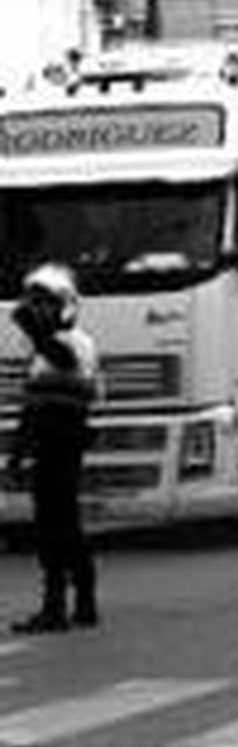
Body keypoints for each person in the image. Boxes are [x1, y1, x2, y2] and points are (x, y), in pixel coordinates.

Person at [7, 264, 100, 633]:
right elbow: (32, 406)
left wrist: (34, 330)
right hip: (45, 444)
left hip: (64, 443)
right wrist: (18, 452)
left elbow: (66, 360)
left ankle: (66, 603)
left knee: (61, 524)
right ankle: (67, 603)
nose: (39, 311)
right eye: (35, 305)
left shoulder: (76, 342)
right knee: (52, 525)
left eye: (45, 304)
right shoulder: (42, 351)